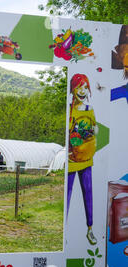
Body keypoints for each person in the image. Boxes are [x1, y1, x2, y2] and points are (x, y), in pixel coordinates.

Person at [67, 73, 98, 246]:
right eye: (79, 87)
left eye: (85, 87)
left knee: (88, 193)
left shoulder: (90, 109)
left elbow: (95, 127)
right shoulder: (69, 110)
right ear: (73, 89)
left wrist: (92, 132)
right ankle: (62, 232)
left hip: (86, 157)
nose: (83, 91)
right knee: (68, 195)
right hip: (72, 159)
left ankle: (90, 229)